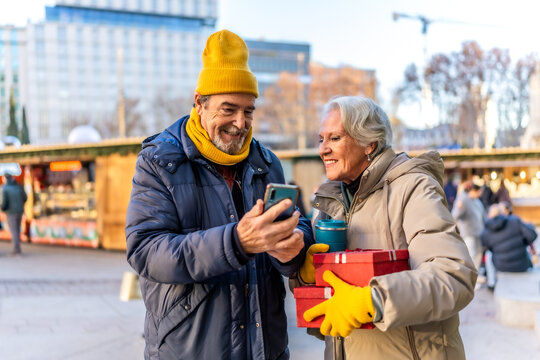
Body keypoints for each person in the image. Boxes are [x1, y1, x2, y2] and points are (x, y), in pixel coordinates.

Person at [125, 29, 314, 359]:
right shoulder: (158, 162)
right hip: (190, 349)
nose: (240, 123)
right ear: (199, 103)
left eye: (249, 110)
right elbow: (145, 251)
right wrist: (236, 243)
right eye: (228, 109)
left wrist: (293, 247)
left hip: (265, 349)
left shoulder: (267, 162)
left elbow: (301, 225)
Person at [299, 96, 476, 359]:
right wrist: (305, 276)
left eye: (335, 138)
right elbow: (330, 305)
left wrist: (373, 300)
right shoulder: (330, 201)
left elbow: (454, 277)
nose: (323, 149)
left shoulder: (413, 188)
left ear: (369, 142)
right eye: (321, 139)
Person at [481, 202, 537, 276]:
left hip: (501, 266)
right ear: (503, 212)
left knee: (489, 254)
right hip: (522, 265)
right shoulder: (514, 220)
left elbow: (487, 246)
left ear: (489, 215)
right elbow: (532, 236)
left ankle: (491, 283)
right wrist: (522, 242)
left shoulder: (486, 231)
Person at [452, 181, 485, 270]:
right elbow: (455, 215)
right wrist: (459, 208)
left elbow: (482, 215)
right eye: (479, 192)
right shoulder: (463, 200)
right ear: (473, 191)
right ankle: (470, 276)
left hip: (479, 233)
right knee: (471, 255)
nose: (480, 194)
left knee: (478, 254)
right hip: (468, 233)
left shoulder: (477, 201)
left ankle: (476, 274)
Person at [1, 174, 27, 256]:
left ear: (5, 179)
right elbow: (25, 197)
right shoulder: (18, 186)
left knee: (14, 231)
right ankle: (18, 248)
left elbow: (4, 202)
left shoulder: (5, 188)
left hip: (11, 212)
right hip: (20, 211)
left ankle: (16, 249)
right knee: (17, 230)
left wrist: (3, 209)